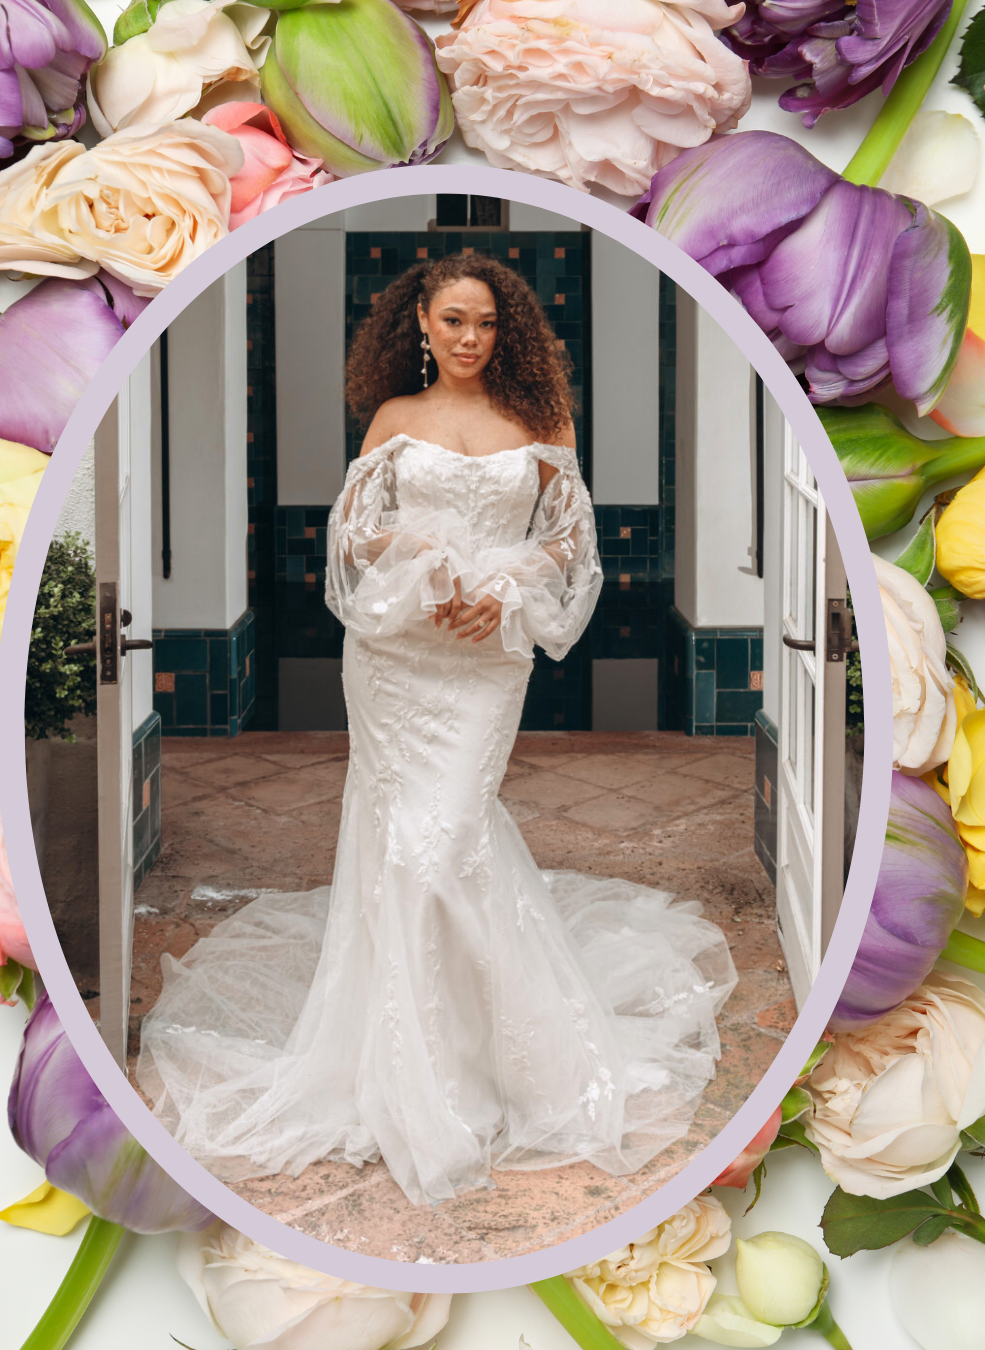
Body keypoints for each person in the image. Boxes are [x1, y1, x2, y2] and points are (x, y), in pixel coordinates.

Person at [138, 254, 736, 1208]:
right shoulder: (392, 421)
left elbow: (569, 542)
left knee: (445, 836)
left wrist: (499, 584)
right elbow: (352, 536)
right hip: (397, 660)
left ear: (509, 332)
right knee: (408, 845)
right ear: (419, 321)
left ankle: (496, 1058)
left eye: (487, 323)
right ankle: (412, 1064)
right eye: (453, 319)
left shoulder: (540, 421)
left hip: (482, 659)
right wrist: (420, 554)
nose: (470, 338)